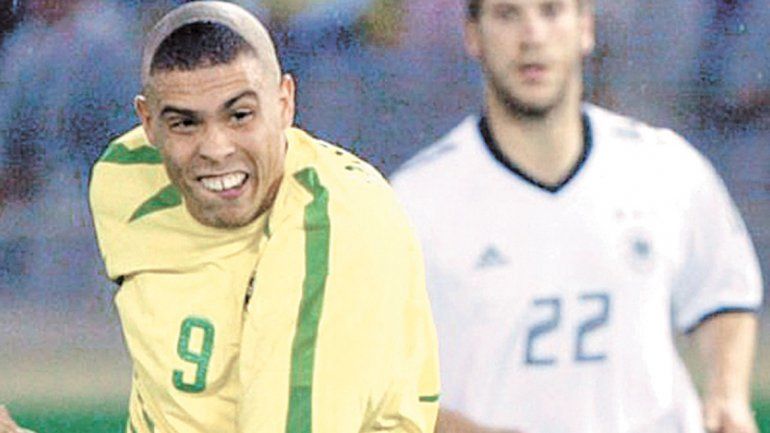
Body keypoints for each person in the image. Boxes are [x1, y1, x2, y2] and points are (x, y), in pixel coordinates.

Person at [390, 0, 763, 432]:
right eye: (508, 15)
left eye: (551, 12)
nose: (532, 37)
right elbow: (381, 386)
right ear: (473, 36)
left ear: (585, 28)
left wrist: (727, 392)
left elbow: (723, 292)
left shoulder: (666, 166)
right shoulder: (414, 200)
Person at [89, 2, 439, 432]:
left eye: (240, 115)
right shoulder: (125, 176)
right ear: (148, 123)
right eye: (184, 123)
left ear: (285, 103)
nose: (216, 149)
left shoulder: (338, 228)